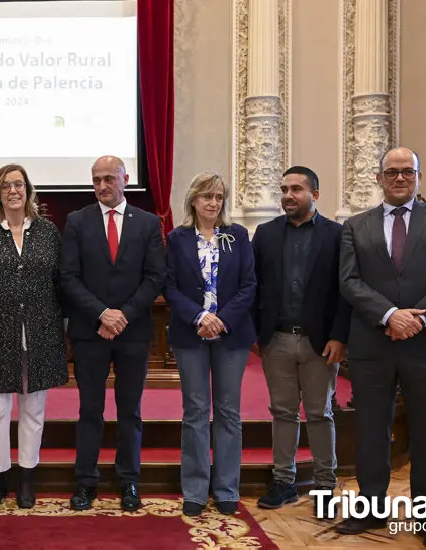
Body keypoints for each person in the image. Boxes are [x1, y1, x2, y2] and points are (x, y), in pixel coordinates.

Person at [336, 147, 426, 550]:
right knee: (371, 431)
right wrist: (391, 314)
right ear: (379, 178)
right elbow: (349, 281)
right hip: (373, 342)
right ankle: (371, 509)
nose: (399, 178)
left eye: (407, 172)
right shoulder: (355, 226)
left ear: (418, 176)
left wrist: (418, 318)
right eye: (391, 172)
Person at [60, 155, 165, 512]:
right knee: (90, 410)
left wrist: (123, 315)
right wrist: (102, 314)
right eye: (96, 180)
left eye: (109, 178)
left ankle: (128, 481)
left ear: (125, 178)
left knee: (129, 411)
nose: (102, 186)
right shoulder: (77, 221)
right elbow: (68, 277)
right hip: (91, 333)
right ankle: (85, 481)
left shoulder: (148, 223)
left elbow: (154, 277)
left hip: (133, 333)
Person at [0, 164, 69, 509]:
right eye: (6, 185)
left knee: (34, 409)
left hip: (41, 335)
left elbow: (59, 284)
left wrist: (63, 333)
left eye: (19, 185)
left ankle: (26, 476)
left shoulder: (49, 232)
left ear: (28, 191)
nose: (13, 191)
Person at [251, 166, 350, 514]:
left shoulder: (337, 235)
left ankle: (325, 485)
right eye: (284, 189)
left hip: (320, 342)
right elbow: (255, 286)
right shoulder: (264, 234)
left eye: (296, 189)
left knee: (320, 413)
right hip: (276, 340)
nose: (288, 196)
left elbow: (345, 292)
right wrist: (256, 332)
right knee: (282, 412)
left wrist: (339, 336)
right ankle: (284, 482)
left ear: (315, 195)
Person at [163, 172, 256, 517]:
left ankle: (227, 487)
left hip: (232, 335)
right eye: (206, 197)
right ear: (193, 200)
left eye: (218, 197)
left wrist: (223, 319)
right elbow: (169, 287)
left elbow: (249, 285)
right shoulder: (177, 239)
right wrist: (200, 317)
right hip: (191, 335)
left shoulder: (238, 235)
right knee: (196, 412)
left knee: (229, 412)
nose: (213, 203)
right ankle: (196, 489)